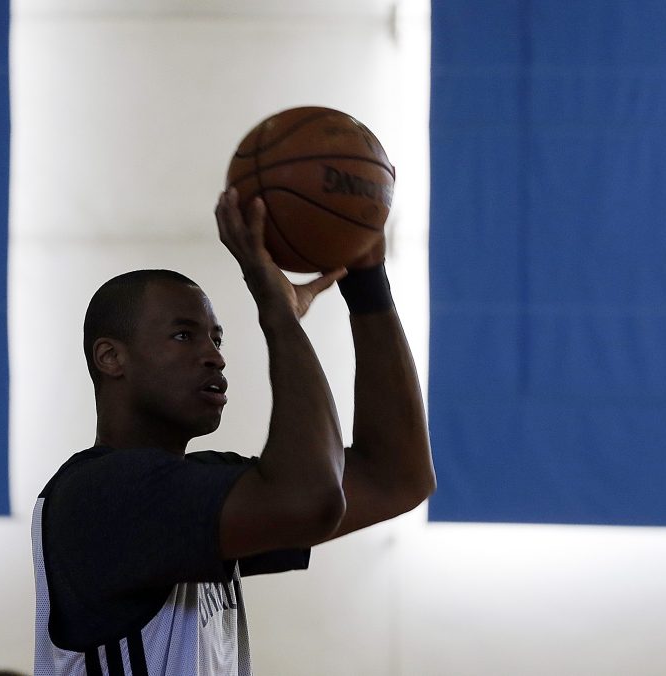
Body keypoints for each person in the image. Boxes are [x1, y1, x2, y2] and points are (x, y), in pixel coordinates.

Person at [31, 189, 435, 676]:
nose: (214, 356)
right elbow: (311, 498)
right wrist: (276, 311)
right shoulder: (101, 497)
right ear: (111, 358)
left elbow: (397, 478)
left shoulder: (186, 488)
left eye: (216, 338)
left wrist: (366, 279)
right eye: (184, 335)